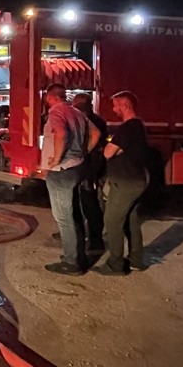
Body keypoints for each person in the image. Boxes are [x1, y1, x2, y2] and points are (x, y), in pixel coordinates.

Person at [97, 90, 150, 275]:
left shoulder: (127, 128)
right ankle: (136, 259)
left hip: (125, 183)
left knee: (112, 221)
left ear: (125, 106)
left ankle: (115, 264)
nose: (113, 108)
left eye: (116, 105)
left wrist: (113, 149)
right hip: (137, 181)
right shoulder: (139, 126)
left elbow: (107, 153)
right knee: (131, 220)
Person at [41, 84, 90, 275]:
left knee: (63, 218)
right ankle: (79, 256)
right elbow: (93, 134)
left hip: (62, 170)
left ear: (51, 97)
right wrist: (82, 153)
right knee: (74, 214)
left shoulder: (56, 112)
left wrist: (56, 158)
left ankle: (72, 263)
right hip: (77, 167)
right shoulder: (78, 113)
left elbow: (61, 134)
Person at [71, 91, 108, 256]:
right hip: (93, 167)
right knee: (84, 202)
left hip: (88, 168)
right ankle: (78, 235)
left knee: (89, 204)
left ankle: (95, 240)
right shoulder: (99, 121)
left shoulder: (87, 122)